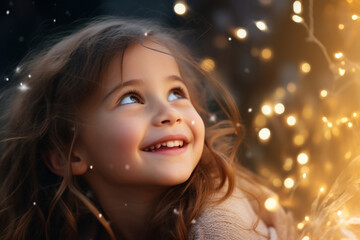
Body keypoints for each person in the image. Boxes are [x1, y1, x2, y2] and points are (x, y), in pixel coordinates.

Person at [0, 17, 296, 240]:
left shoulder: (220, 223)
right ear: (69, 154)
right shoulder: (75, 227)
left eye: (176, 93)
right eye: (131, 98)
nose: (169, 113)